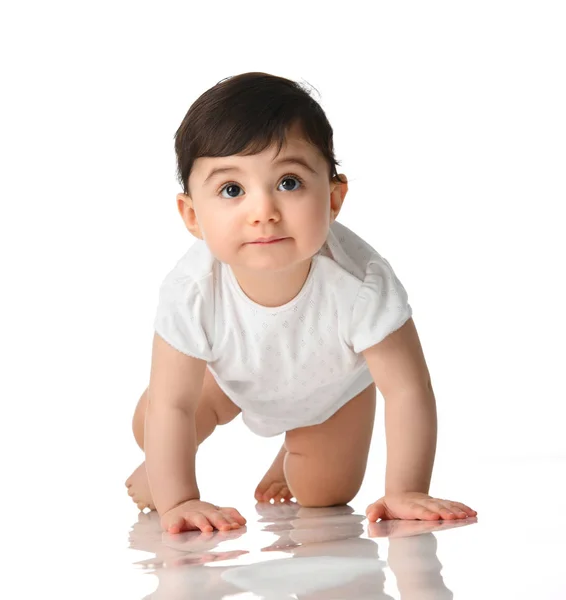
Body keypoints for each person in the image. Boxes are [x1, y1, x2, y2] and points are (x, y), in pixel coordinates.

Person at [125, 72, 477, 534]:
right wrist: (179, 502)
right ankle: (161, 468)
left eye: (289, 182)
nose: (263, 210)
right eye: (232, 190)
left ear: (333, 199)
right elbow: (172, 403)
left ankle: (296, 447)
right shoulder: (193, 289)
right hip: (231, 379)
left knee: (324, 493)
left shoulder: (361, 284)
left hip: (331, 395)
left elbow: (407, 390)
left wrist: (406, 489)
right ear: (192, 215)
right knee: (152, 422)